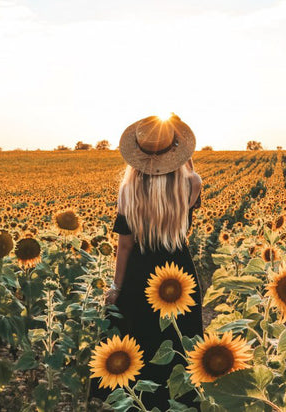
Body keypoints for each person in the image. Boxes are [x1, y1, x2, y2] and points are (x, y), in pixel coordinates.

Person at [88, 113, 204, 410]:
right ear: (176, 153)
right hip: (178, 275)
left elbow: (124, 246)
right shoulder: (192, 185)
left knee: (137, 342)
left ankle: (138, 404)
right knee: (179, 342)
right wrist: (182, 157)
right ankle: (177, 403)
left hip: (140, 275)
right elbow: (188, 171)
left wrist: (116, 286)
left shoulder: (128, 190)